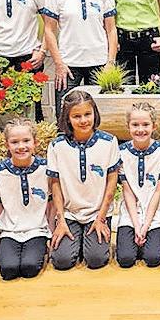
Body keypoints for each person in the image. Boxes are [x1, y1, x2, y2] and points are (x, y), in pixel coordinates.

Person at [42, 0, 118, 113]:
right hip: (68, 65)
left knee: (98, 116)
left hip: (99, 64)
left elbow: (111, 30)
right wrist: (58, 64)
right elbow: (49, 30)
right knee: (64, 115)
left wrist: (110, 63)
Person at [47, 89, 120, 270]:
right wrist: (60, 220)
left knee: (96, 260)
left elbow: (111, 183)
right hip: (69, 214)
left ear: (95, 113)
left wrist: (101, 218)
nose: (83, 120)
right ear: (67, 118)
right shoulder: (56, 146)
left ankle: (87, 243)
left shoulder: (109, 142)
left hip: (97, 213)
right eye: (76, 116)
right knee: (62, 261)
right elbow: (55, 185)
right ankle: (77, 241)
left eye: (88, 114)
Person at [0, 119, 51, 280]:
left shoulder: (46, 169)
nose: (21, 146)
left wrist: (50, 237)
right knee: (8, 271)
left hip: (37, 230)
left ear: (35, 142)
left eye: (26, 141)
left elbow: (51, 207)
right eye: (15, 142)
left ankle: (39, 249)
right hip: (9, 232)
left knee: (30, 268)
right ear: (7, 145)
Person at [116, 103, 160, 267]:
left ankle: (154, 241)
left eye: (145, 124)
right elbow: (127, 191)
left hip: (154, 215)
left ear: (154, 126)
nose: (140, 130)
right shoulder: (121, 153)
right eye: (135, 125)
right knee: (125, 259)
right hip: (130, 214)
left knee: (153, 259)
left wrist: (145, 226)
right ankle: (136, 241)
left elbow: (157, 191)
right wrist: (136, 226)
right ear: (128, 126)